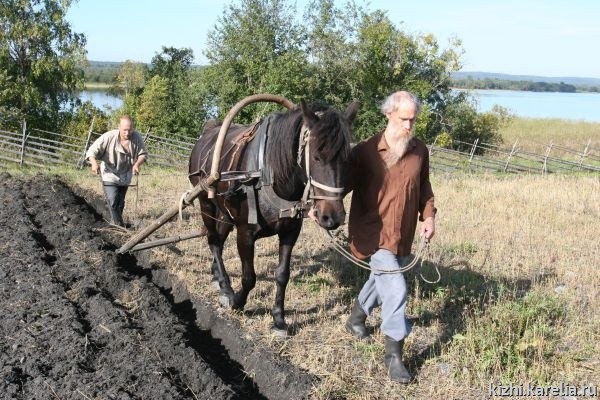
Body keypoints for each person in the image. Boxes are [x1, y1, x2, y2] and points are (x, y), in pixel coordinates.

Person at [313, 91, 436, 383]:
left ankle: (356, 319)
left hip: (402, 232)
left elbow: (424, 185)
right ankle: (394, 356)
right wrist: (316, 207)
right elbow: (336, 183)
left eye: (413, 120)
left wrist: (429, 216)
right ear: (388, 114)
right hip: (371, 231)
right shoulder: (365, 151)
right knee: (396, 288)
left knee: (381, 280)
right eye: (404, 119)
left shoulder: (419, 150)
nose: (409, 125)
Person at [85, 115, 147, 227]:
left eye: (130, 130)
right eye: (124, 130)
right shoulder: (109, 137)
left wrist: (137, 164)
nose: (127, 133)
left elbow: (142, 154)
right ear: (119, 127)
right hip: (110, 173)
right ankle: (118, 226)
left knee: (120, 202)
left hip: (126, 174)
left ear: (132, 128)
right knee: (113, 200)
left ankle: (116, 222)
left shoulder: (136, 137)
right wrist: (94, 163)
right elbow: (91, 151)